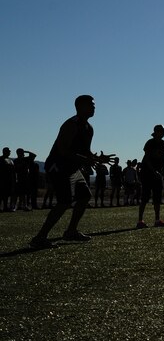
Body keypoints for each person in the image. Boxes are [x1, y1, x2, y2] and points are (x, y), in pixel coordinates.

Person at [29, 95, 115, 249]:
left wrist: (97, 158)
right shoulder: (70, 125)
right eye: (91, 105)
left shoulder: (89, 128)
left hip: (72, 167)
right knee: (65, 201)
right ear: (80, 107)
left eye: (94, 105)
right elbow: (63, 151)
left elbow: (86, 152)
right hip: (58, 166)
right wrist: (85, 160)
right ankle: (39, 238)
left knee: (84, 195)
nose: (94, 108)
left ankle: (71, 231)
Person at [137, 125, 164, 228]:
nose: (163, 133)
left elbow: (163, 158)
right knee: (145, 197)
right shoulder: (150, 143)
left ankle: (157, 220)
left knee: (157, 197)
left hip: (157, 173)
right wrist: (153, 171)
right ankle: (140, 221)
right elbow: (146, 158)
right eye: (161, 131)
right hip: (147, 172)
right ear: (156, 132)